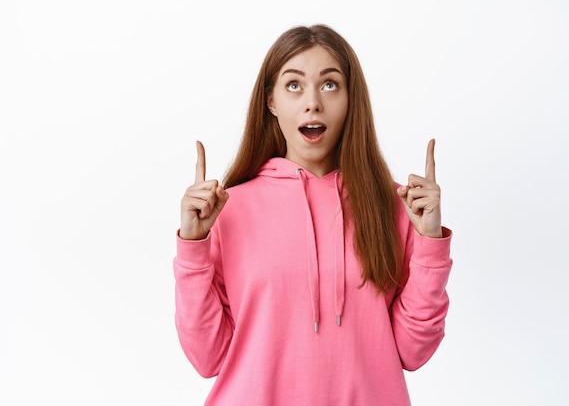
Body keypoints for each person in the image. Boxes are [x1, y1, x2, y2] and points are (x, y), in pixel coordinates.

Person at [173, 24, 452, 406]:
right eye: (293, 85)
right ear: (270, 101)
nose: (312, 103)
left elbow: (412, 351)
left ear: (352, 98)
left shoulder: (393, 205)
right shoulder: (225, 210)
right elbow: (208, 358)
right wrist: (193, 247)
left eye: (330, 84)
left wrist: (429, 243)